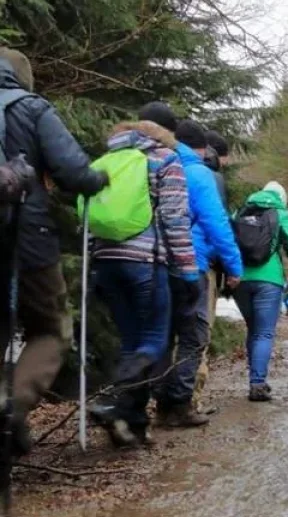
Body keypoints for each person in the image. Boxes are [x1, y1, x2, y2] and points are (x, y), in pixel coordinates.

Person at [0, 49, 109, 455]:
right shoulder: (30, 108)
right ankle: (11, 408)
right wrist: (97, 179)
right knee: (52, 328)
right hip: (25, 239)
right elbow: (75, 172)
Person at [87, 118, 198, 447]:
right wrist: (188, 271)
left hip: (106, 262)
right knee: (154, 341)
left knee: (131, 342)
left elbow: (91, 219)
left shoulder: (105, 162)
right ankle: (113, 399)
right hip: (146, 263)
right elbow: (175, 219)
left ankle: (132, 423)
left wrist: (95, 261)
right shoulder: (165, 159)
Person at [148, 117, 242, 428]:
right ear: (201, 149)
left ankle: (160, 403)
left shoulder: (153, 163)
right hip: (193, 263)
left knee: (165, 333)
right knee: (195, 334)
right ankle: (181, 403)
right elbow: (218, 223)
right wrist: (233, 265)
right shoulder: (200, 173)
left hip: (154, 261)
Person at [232, 181, 288, 402]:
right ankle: (257, 383)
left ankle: (254, 375)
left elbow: (228, 240)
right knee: (264, 333)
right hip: (269, 279)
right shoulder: (280, 213)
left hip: (241, 279)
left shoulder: (241, 211)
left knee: (253, 329)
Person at [193, 128, 231, 413]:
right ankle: (191, 398)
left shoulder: (173, 166)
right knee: (200, 328)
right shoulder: (213, 178)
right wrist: (231, 266)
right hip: (201, 263)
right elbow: (218, 224)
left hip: (162, 259)